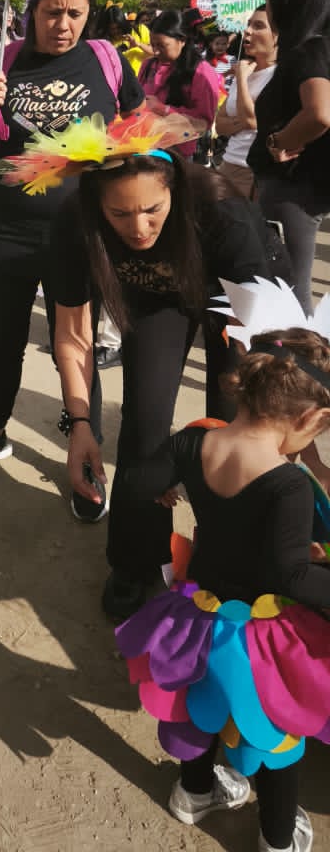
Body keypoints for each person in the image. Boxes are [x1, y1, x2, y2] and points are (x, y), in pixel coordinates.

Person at [115, 298, 330, 852]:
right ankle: (278, 837)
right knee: (277, 733)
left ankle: (193, 794)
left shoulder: (192, 441)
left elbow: (139, 484)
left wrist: (173, 488)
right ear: (308, 419)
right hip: (260, 634)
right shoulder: (288, 484)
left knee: (197, 706)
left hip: (196, 612)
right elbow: (291, 574)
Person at [46, 138, 287, 619]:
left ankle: (229, 567)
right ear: (97, 205)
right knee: (143, 424)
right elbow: (73, 335)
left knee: (234, 426)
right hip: (156, 299)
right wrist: (79, 425)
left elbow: (256, 334)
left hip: (237, 303)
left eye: (152, 210)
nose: (138, 229)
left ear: (174, 189)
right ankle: (136, 562)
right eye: (119, 215)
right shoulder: (74, 220)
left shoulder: (222, 210)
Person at [0, 0, 143, 484]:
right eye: (53, 12)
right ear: (31, 11)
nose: (64, 25)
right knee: (4, 341)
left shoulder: (106, 60)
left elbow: (139, 129)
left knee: (71, 345)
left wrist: (114, 158)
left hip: (78, 233)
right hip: (5, 229)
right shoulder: (1, 61)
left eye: (76, 13)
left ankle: (84, 443)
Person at [249, 0, 330, 313]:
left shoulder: (308, 52)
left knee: (289, 294)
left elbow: (319, 113)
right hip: (305, 190)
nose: (268, 6)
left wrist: (278, 141)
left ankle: (301, 366)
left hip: (292, 191)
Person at [139, 9, 220, 159]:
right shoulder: (148, 65)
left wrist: (164, 109)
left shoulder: (201, 71)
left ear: (182, 41)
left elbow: (203, 123)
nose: (155, 52)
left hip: (176, 154)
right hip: (144, 147)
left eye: (162, 46)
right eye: (153, 45)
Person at [214, 6, 277, 198]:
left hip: (253, 173)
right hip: (227, 165)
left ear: (278, 36)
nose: (248, 31)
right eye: (248, 24)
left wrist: (241, 79)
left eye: (258, 26)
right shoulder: (246, 68)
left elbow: (251, 121)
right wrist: (243, 122)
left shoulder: (278, 76)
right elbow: (220, 124)